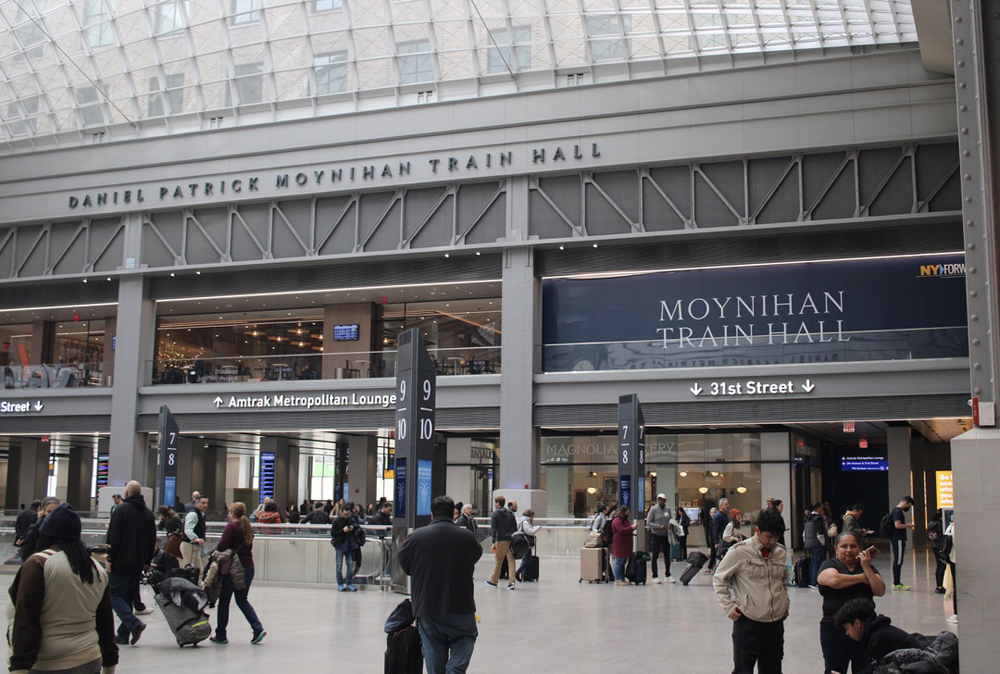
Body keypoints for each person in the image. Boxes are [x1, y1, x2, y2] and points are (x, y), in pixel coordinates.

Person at [8, 503, 119, 674]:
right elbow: (105, 621)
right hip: (90, 658)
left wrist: (20, 667)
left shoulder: (38, 564)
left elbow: (25, 620)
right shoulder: (95, 568)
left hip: (49, 662)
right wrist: (110, 664)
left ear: (46, 534)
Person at [398, 495, 482, 674]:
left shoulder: (417, 537)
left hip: (428, 606)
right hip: (461, 603)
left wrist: (423, 572)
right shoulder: (466, 537)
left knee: (432, 644)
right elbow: (475, 556)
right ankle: (454, 669)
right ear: (453, 514)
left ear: (431, 515)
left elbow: (405, 564)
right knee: (466, 636)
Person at [713, 508, 789, 674]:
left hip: (775, 623)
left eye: (777, 537)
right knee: (744, 669)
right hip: (748, 623)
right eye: (769, 536)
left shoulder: (780, 552)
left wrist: (785, 603)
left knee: (773, 669)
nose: (773, 541)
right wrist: (729, 606)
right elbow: (719, 579)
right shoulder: (739, 551)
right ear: (757, 530)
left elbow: (782, 581)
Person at [817, 532, 886, 674]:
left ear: (860, 548)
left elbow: (879, 590)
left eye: (853, 546)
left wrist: (866, 567)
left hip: (864, 630)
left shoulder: (868, 568)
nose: (849, 550)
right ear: (836, 549)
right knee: (834, 669)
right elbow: (834, 581)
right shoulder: (829, 564)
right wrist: (862, 578)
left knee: (865, 669)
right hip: (834, 629)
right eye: (844, 546)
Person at [105, 480, 156, 646]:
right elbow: (152, 540)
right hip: (138, 562)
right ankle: (123, 634)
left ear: (126, 494)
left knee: (112, 594)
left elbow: (114, 536)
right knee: (127, 595)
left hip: (121, 561)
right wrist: (147, 560)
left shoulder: (121, 510)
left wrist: (110, 557)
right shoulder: (148, 514)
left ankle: (134, 624)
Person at [210, 501, 266, 645]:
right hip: (248, 567)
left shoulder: (231, 527)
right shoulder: (246, 527)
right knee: (241, 600)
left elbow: (222, 545)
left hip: (234, 568)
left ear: (233, 513)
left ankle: (221, 634)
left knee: (224, 601)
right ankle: (257, 628)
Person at [833, 598, 937, 670]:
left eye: (847, 628)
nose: (847, 633)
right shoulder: (878, 632)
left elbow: (875, 670)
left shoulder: (878, 638)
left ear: (857, 623)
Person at [487, 495, 517, 590]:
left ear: (497, 503)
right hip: (511, 539)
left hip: (501, 540)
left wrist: (493, 542)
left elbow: (494, 529)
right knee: (511, 561)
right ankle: (512, 582)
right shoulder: (510, 513)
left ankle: (494, 581)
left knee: (498, 561)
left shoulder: (495, 514)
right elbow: (515, 527)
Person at [646, 493, 676, 584]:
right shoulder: (653, 509)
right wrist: (658, 526)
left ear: (665, 500)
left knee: (667, 556)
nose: (661, 501)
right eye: (659, 499)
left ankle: (668, 575)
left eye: (662, 499)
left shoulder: (668, 509)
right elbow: (648, 522)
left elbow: (670, 519)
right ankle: (655, 576)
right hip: (656, 535)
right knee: (655, 555)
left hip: (666, 535)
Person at [330, 502, 360, 591]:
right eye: (345, 514)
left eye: (348, 514)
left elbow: (356, 527)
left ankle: (349, 583)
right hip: (339, 545)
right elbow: (333, 533)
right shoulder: (336, 521)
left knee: (350, 564)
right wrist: (342, 530)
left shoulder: (351, 520)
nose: (346, 516)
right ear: (341, 512)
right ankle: (340, 583)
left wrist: (352, 529)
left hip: (349, 545)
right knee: (339, 565)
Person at [20, 497, 61, 561]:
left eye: (55, 511)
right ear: (44, 512)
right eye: (49, 511)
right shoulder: (35, 530)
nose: (52, 515)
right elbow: (26, 554)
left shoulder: (64, 529)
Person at [889, 495, 915, 590]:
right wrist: (908, 525)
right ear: (906, 503)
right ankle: (896, 583)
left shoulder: (896, 511)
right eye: (909, 505)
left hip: (897, 538)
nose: (909, 508)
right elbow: (898, 525)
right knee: (898, 560)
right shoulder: (898, 511)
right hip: (898, 538)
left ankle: (897, 582)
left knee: (898, 560)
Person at [180, 495, 208, 574]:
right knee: (193, 570)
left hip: (193, 545)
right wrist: (196, 539)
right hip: (190, 545)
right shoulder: (194, 514)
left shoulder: (199, 514)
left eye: (206, 503)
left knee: (195, 570)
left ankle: (197, 585)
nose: (205, 505)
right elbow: (188, 530)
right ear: (197, 503)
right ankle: (195, 585)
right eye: (203, 503)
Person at [804, 503, 827, 587]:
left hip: (809, 543)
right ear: (818, 508)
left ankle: (811, 581)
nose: (822, 510)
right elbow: (820, 533)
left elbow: (804, 532)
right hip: (817, 543)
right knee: (817, 562)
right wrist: (823, 544)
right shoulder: (818, 519)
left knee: (812, 562)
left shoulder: (808, 518)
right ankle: (814, 582)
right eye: (821, 508)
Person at [514, 509, 541, 583]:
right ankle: (518, 573)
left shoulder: (521, 521)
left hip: (523, 542)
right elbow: (530, 532)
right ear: (530, 516)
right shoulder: (525, 522)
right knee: (528, 559)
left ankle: (524, 575)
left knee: (527, 559)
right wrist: (538, 528)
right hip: (526, 542)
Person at [611, 506, 636, 586]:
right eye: (627, 512)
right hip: (620, 544)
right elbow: (621, 530)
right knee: (619, 561)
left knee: (623, 561)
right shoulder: (617, 520)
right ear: (623, 512)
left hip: (624, 544)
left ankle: (622, 578)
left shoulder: (624, 520)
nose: (628, 514)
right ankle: (617, 579)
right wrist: (631, 528)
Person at [927, 508, 946, 594]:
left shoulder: (931, 524)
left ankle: (939, 585)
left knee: (939, 566)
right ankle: (939, 586)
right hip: (941, 547)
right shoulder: (940, 525)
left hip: (934, 545)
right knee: (942, 566)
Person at [710, 498, 731, 571]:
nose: (728, 506)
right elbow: (715, 529)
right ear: (721, 505)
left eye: (728, 504)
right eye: (726, 504)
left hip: (726, 539)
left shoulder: (725, 515)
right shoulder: (718, 516)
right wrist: (716, 542)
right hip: (722, 540)